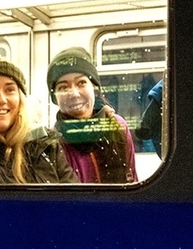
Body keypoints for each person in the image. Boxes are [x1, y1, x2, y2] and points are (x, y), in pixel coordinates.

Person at [47, 47, 136, 183]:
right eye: (63, 87)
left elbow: (132, 181)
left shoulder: (117, 126)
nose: (74, 94)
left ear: (94, 88)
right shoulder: (52, 144)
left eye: (81, 83)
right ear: (55, 98)